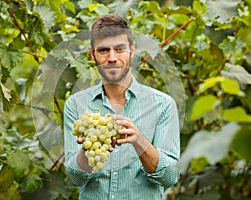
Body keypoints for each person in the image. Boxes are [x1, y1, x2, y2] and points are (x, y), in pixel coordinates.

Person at [64, 14, 180, 200]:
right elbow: (75, 177)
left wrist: (139, 141)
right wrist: (86, 152)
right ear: (92, 54)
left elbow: (170, 177)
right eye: (103, 50)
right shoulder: (76, 104)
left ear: (131, 50)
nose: (112, 58)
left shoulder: (163, 105)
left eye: (119, 49)